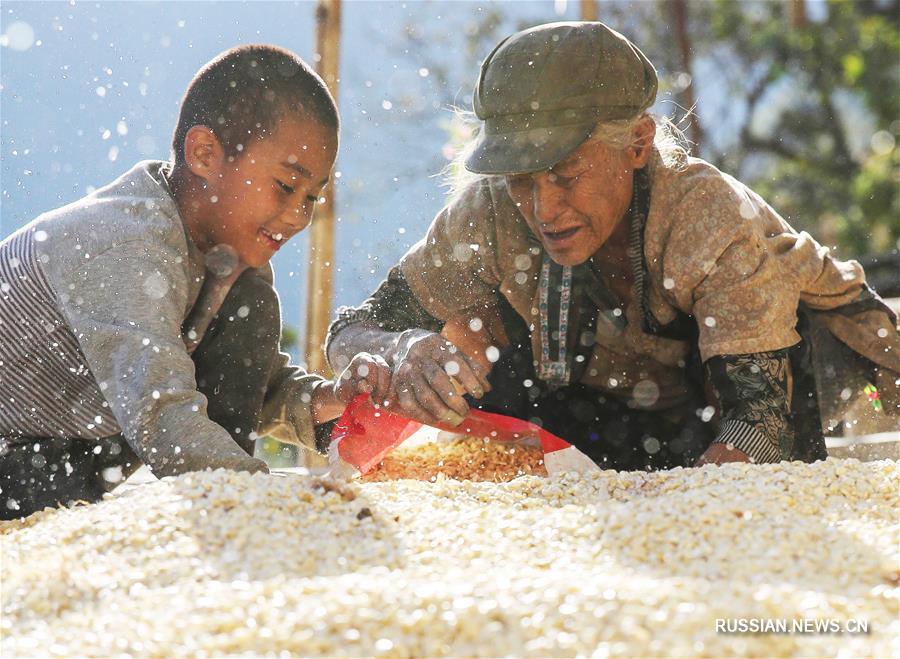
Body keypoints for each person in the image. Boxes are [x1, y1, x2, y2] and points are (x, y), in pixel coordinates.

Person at [326, 21, 899, 471]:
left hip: (786, 377)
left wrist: (686, 517)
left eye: (566, 174)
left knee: (768, 426)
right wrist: (399, 347)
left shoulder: (705, 216)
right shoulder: (490, 210)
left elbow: (762, 423)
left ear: (638, 143)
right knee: (472, 333)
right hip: (626, 404)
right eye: (522, 179)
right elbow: (351, 329)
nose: (544, 208)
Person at [0, 45, 391, 519]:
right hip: (13, 455)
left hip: (70, 450)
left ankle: (226, 506)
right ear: (205, 154)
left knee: (250, 301)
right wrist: (276, 502)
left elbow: (252, 384)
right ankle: (230, 499)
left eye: (312, 197)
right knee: (174, 427)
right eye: (287, 186)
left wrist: (329, 400)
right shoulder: (124, 246)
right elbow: (163, 415)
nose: (297, 216)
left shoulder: (227, 254)